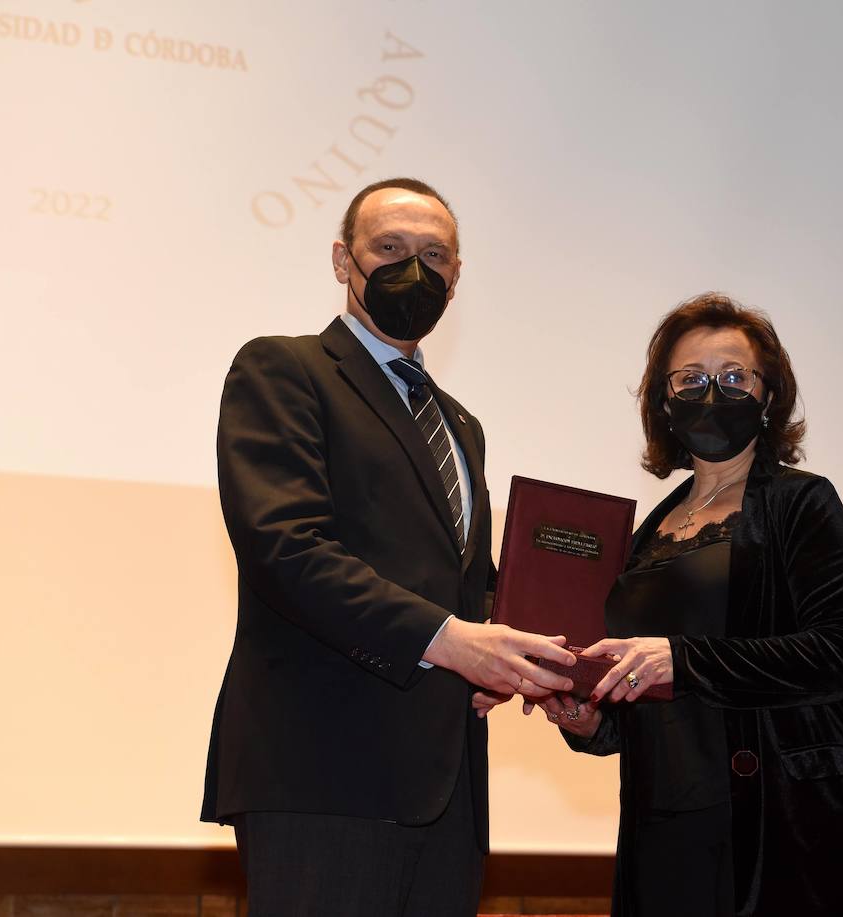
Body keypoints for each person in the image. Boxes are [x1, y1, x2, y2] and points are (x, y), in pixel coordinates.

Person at [200, 177, 576, 916]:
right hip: (322, 775)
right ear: (344, 260)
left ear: (457, 278)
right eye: (390, 248)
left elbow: (465, 582)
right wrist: (451, 640)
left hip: (447, 790)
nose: (415, 269)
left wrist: (524, 653)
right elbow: (286, 548)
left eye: (435, 254)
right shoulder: (285, 370)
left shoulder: (460, 424)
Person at [477, 292, 843, 916]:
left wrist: (683, 659)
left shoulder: (801, 503)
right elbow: (646, 692)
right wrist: (589, 720)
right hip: (666, 822)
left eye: (734, 377)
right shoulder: (649, 530)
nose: (713, 392)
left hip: (788, 824)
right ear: (664, 401)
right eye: (691, 378)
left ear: (768, 395)